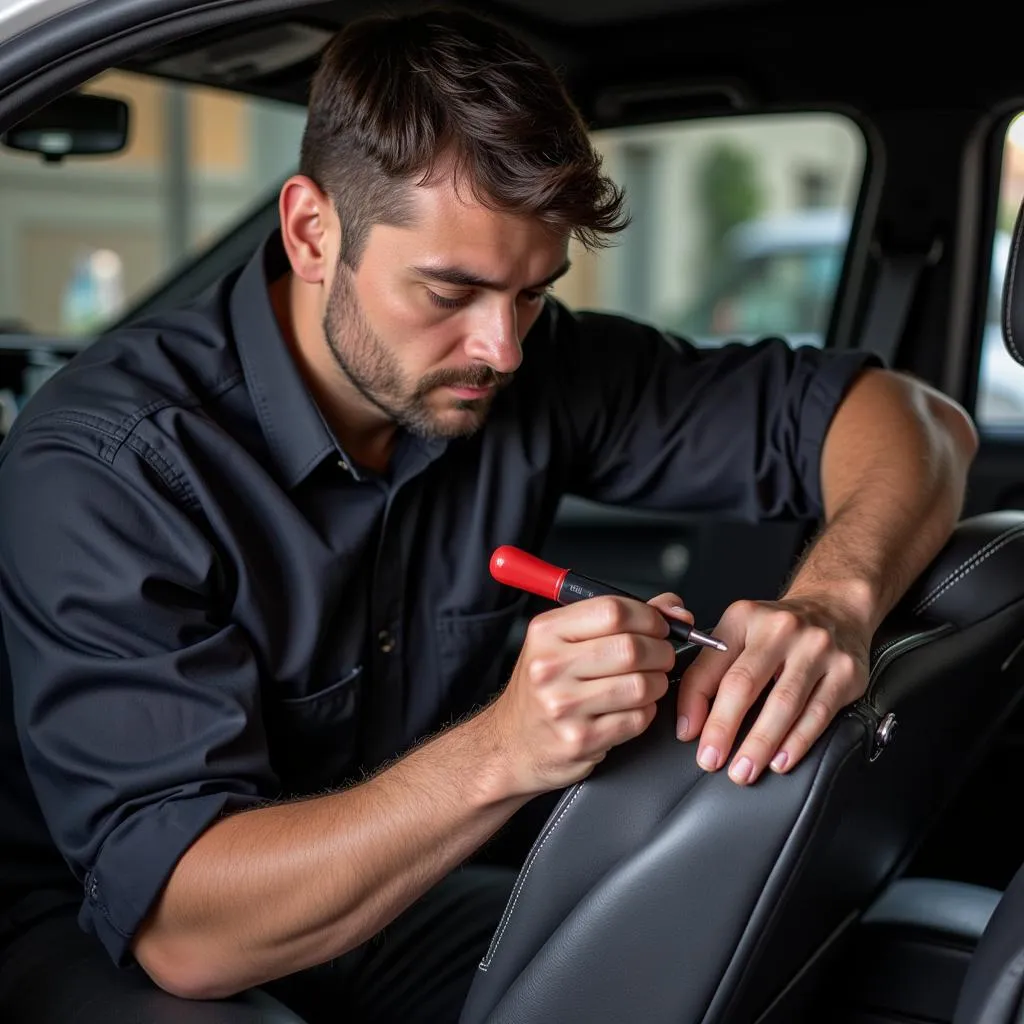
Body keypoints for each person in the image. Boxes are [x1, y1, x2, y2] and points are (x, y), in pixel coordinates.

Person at [0, 7, 978, 1024]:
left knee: (669, 969)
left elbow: (916, 422)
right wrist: (506, 750)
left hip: (391, 895)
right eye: (451, 290)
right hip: (101, 931)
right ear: (310, 230)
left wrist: (837, 598)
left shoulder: (527, 367)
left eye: (532, 293)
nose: (501, 347)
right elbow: (185, 934)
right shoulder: (112, 468)